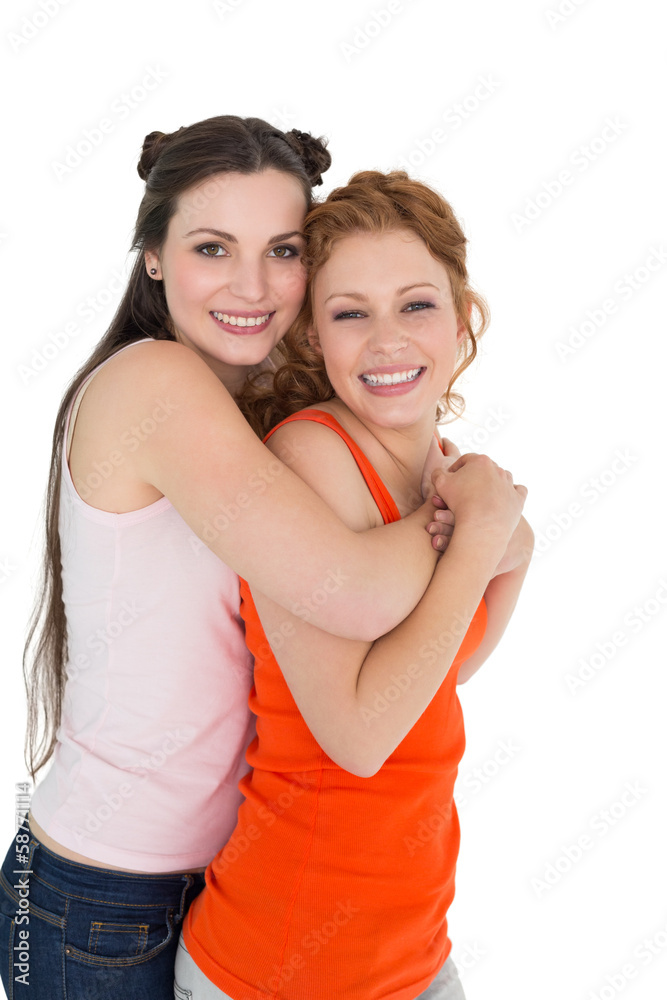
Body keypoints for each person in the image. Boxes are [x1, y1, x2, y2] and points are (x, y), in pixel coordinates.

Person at [0, 120, 455, 1000]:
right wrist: (470, 521)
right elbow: (357, 595)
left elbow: (396, 647)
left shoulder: (264, 401)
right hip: (102, 897)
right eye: (212, 248)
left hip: (224, 882)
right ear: (153, 257)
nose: (251, 287)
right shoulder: (155, 383)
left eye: (281, 251)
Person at [176, 169, 533, 999]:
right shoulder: (311, 456)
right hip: (283, 967)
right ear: (311, 337)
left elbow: (439, 671)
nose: (386, 341)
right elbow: (360, 738)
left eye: (415, 305)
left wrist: (498, 538)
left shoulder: (440, 470)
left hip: (416, 960)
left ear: (461, 319)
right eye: (349, 314)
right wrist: (481, 535)